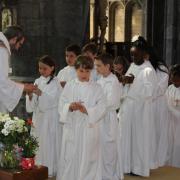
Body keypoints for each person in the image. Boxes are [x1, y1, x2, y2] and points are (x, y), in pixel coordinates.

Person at [57, 55, 106, 180]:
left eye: (87, 71)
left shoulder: (96, 87)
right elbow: (62, 103)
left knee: (88, 156)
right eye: (81, 71)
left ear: (91, 71)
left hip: (88, 127)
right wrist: (69, 106)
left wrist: (87, 110)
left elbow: (102, 107)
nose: (84, 74)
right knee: (70, 155)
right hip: (72, 126)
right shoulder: (70, 85)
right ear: (76, 70)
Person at [118, 37, 157, 177]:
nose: (133, 57)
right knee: (127, 138)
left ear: (144, 54)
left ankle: (139, 167)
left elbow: (149, 92)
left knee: (139, 139)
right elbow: (128, 84)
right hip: (129, 108)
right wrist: (124, 81)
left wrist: (133, 83)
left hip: (141, 110)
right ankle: (127, 165)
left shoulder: (148, 70)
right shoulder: (133, 66)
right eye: (131, 55)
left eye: (136, 54)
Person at [26, 55, 62, 177]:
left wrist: (40, 93)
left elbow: (53, 101)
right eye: (40, 68)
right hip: (39, 118)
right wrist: (30, 95)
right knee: (38, 142)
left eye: (44, 68)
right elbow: (32, 105)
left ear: (52, 68)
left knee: (48, 143)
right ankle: (37, 166)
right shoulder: (38, 81)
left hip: (50, 118)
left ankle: (49, 168)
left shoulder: (56, 83)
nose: (41, 71)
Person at [95, 53, 123, 180]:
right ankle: (101, 174)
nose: (96, 68)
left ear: (107, 66)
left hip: (108, 118)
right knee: (99, 147)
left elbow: (113, 102)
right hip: (98, 118)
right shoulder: (99, 80)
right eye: (96, 65)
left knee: (109, 148)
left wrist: (98, 104)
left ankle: (110, 176)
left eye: (99, 66)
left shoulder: (113, 81)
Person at [0, 26, 36, 113]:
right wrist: (24, 87)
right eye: (19, 44)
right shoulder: (2, 51)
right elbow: (2, 82)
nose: (18, 48)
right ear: (14, 39)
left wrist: (21, 85)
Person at [166, 64, 180, 167]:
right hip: (170, 121)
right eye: (172, 79)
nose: (174, 82)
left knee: (177, 145)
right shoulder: (170, 88)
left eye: (177, 80)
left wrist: (170, 109)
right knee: (169, 143)